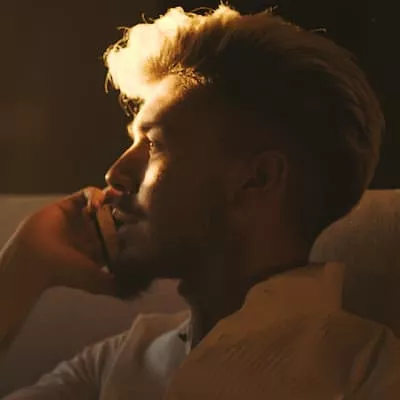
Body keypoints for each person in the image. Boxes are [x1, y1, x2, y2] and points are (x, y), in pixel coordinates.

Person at [1, 4, 399, 399]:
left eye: (154, 144)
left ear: (256, 179)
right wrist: (23, 265)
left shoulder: (369, 371)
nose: (115, 173)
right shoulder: (115, 361)